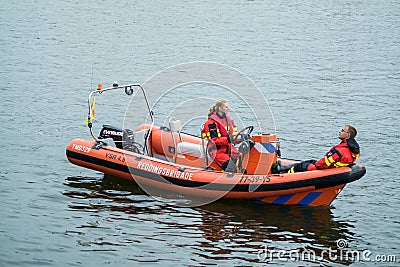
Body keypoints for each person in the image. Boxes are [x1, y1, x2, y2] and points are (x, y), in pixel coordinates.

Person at [272, 125, 360, 174]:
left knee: (302, 166)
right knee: (309, 161)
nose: (340, 132)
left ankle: (281, 170)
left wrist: (317, 165)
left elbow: (324, 163)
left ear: (347, 135)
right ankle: (283, 167)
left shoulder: (340, 150)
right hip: (332, 169)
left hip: (322, 169)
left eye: (342, 130)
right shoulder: (353, 149)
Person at [201, 99, 241, 172]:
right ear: (220, 108)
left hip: (229, 148)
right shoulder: (211, 124)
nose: (228, 109)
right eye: (226, 107)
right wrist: (228, 139)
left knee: (241, 159)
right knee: (231, 168)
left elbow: (233, 137)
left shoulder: (228, 121)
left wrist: (241, 138)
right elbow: (214, 140)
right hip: (217, 151)